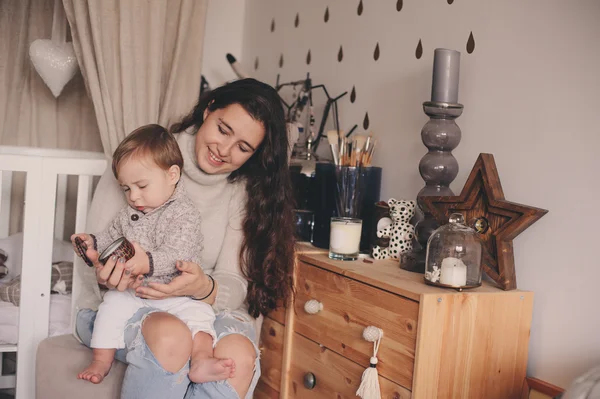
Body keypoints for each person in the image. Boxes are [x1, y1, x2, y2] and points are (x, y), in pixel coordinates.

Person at [75, 78, 295, 399]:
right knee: (170, 336)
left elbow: (233, 282)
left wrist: (202, 287)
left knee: (237, 354)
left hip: (191, 304)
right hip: (127, 300)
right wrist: (108, 274)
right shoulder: (141, 158)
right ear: (208, 110)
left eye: (243, 148)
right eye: (223, 129)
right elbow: (98, 252)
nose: (225, 150)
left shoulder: (241, 192)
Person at [72, 124, 234, 385]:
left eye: (141, 185)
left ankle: (202, 360)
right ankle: (101, 359)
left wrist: (147, 261)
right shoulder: (128, 215)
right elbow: (108, 240)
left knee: (202, 316)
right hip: (136, 293)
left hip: (177, 296)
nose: (134, 196)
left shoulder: (184, 214)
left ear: (172, 175)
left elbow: (180, 252)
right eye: (126, 189)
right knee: (111, 305)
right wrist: (91, 244)